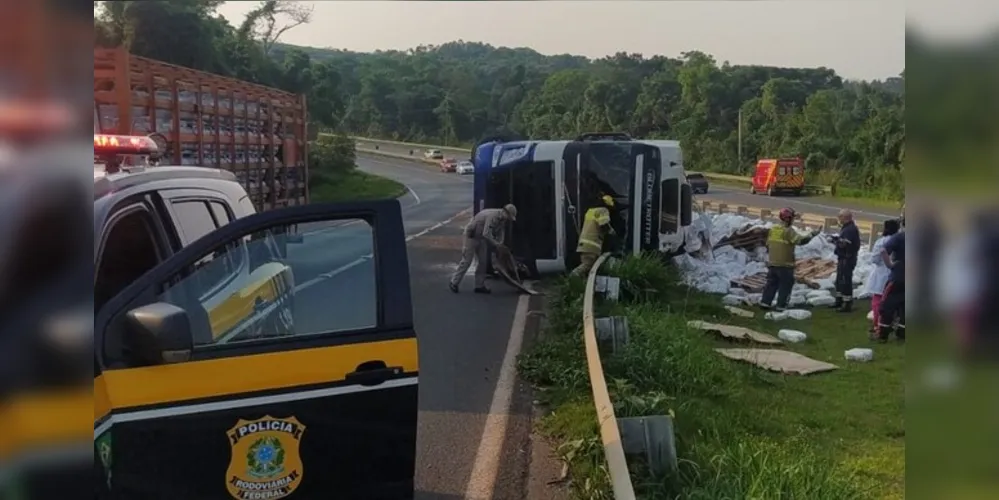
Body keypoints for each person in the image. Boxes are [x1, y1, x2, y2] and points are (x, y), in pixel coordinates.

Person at [759, 207, 820, 311]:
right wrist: (813, 234)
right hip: (785, 264)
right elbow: (801, 241)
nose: (793, 220)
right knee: (785, 285)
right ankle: (781, 306)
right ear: (788, 219)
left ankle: (765, 303)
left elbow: (768, 244)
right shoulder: (788, 231)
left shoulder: (773, 229)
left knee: (771, 284)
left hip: (773, 263)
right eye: (792, 218)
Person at [449, 204, 517, 294]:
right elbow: (486, 233)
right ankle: (454, 282)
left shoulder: (502, 219)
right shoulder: (493, 216)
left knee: (483, 262)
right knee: (467, 260)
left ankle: (479, 285)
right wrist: (496, 244)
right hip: (471, 236)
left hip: (481, 238)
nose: (508, 219)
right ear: (505, 212)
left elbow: (501, 232)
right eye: (508, 216)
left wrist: (501, 244)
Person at [862, 219, 901, 333]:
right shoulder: (900, 239)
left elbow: (875, 258)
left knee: (878, 300)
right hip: (897, 273)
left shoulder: (881, 242)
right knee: (894, 300)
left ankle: (877, 324)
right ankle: (893, 323)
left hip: (882, 273)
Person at [875, 216, 905, 342]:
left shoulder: (899, 237)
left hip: (898, 276)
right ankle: (902, 333)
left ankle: (883, 333)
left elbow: (883, 250)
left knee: (887, 304)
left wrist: (890, 265)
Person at [570, 195, 617, 277]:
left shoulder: (591, 211)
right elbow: (604, 225)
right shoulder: (603, 210)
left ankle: (579, 283)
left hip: (584, 244)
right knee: (587, 266)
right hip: (592, 245)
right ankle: (572, 277)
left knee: (588, 269)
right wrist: (612, 232)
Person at [830, 209, 862, 312]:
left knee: (845, 280)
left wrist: (836, 241)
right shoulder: (847, 228)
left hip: (847, 258)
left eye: (840, 216)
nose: (839, 218)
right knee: (839, 280)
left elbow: (846, 244)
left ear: (846, 217)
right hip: (843, 257)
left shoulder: (850, 229)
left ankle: (847, 303)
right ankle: (839, 300)